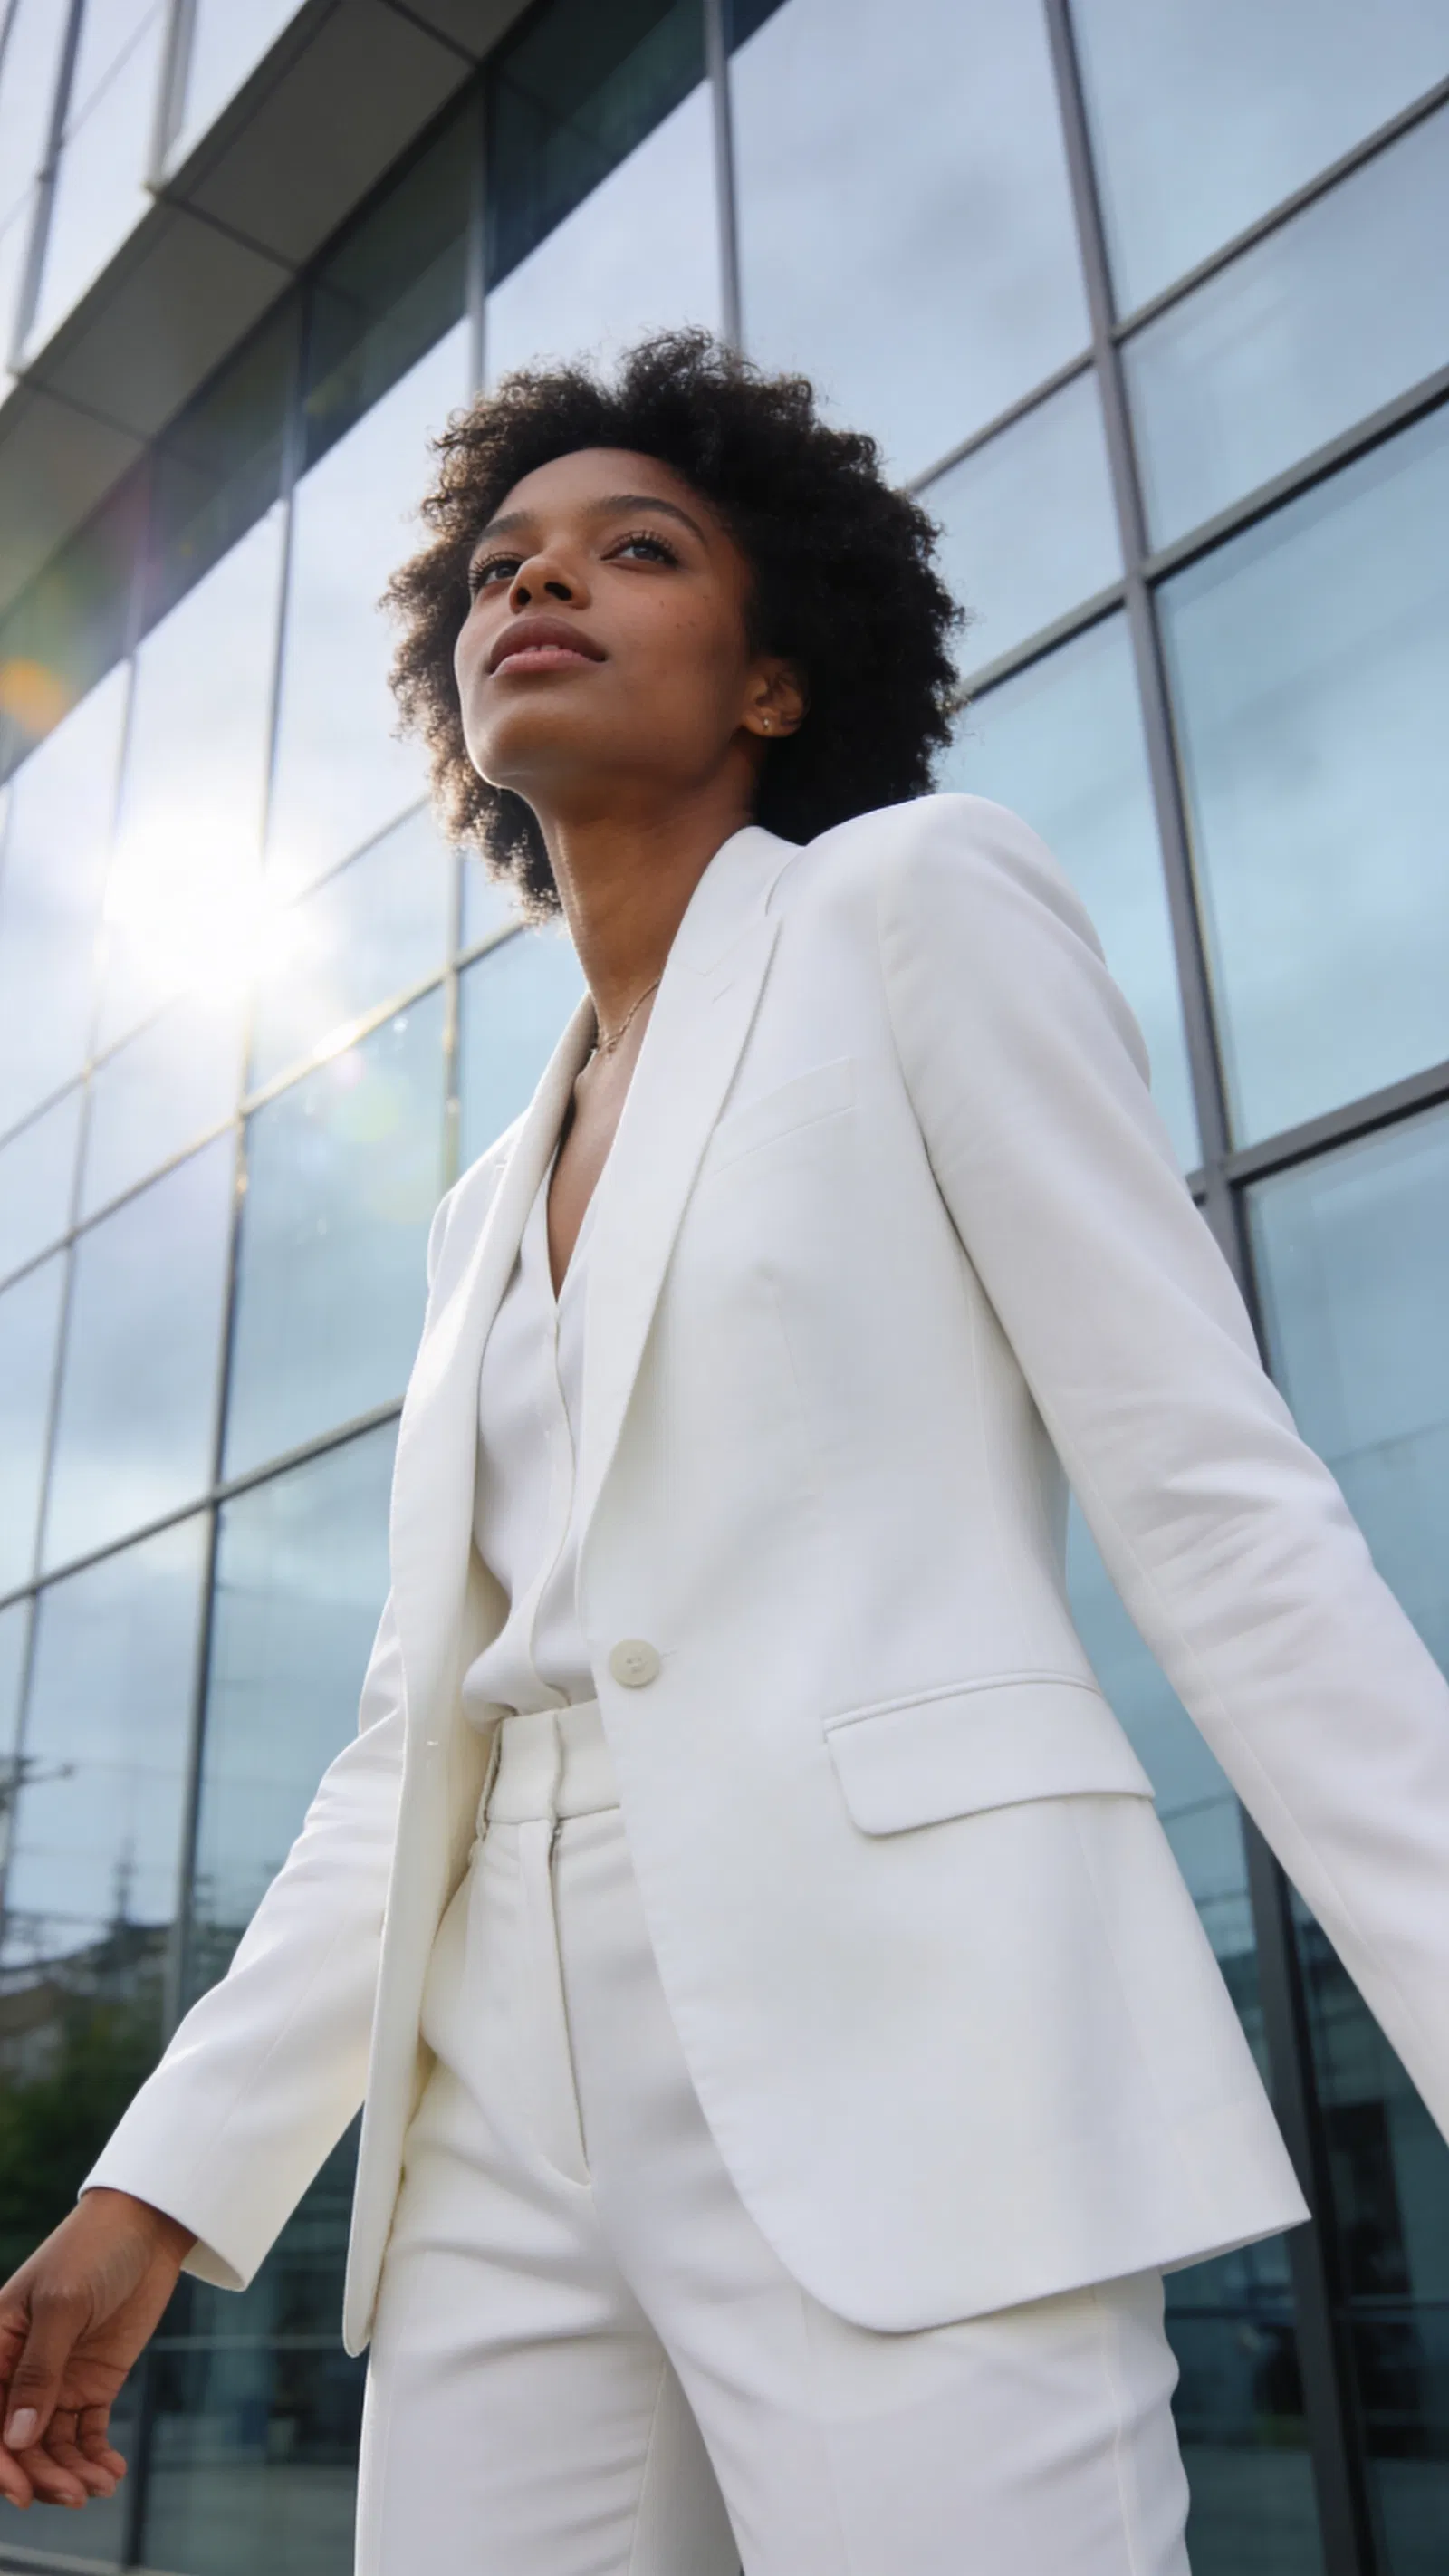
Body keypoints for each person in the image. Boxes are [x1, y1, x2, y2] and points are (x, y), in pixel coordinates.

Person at [2, 328, 1446, 2575]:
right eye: (496, 563)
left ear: (774, 681)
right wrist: (154, 2189)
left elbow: (1209, 1500)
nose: (534, 584)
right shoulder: (488, 1202)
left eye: (631, 549)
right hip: (497, 2086)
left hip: (910, 2025)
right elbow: (409, 1748)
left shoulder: (914, 904)